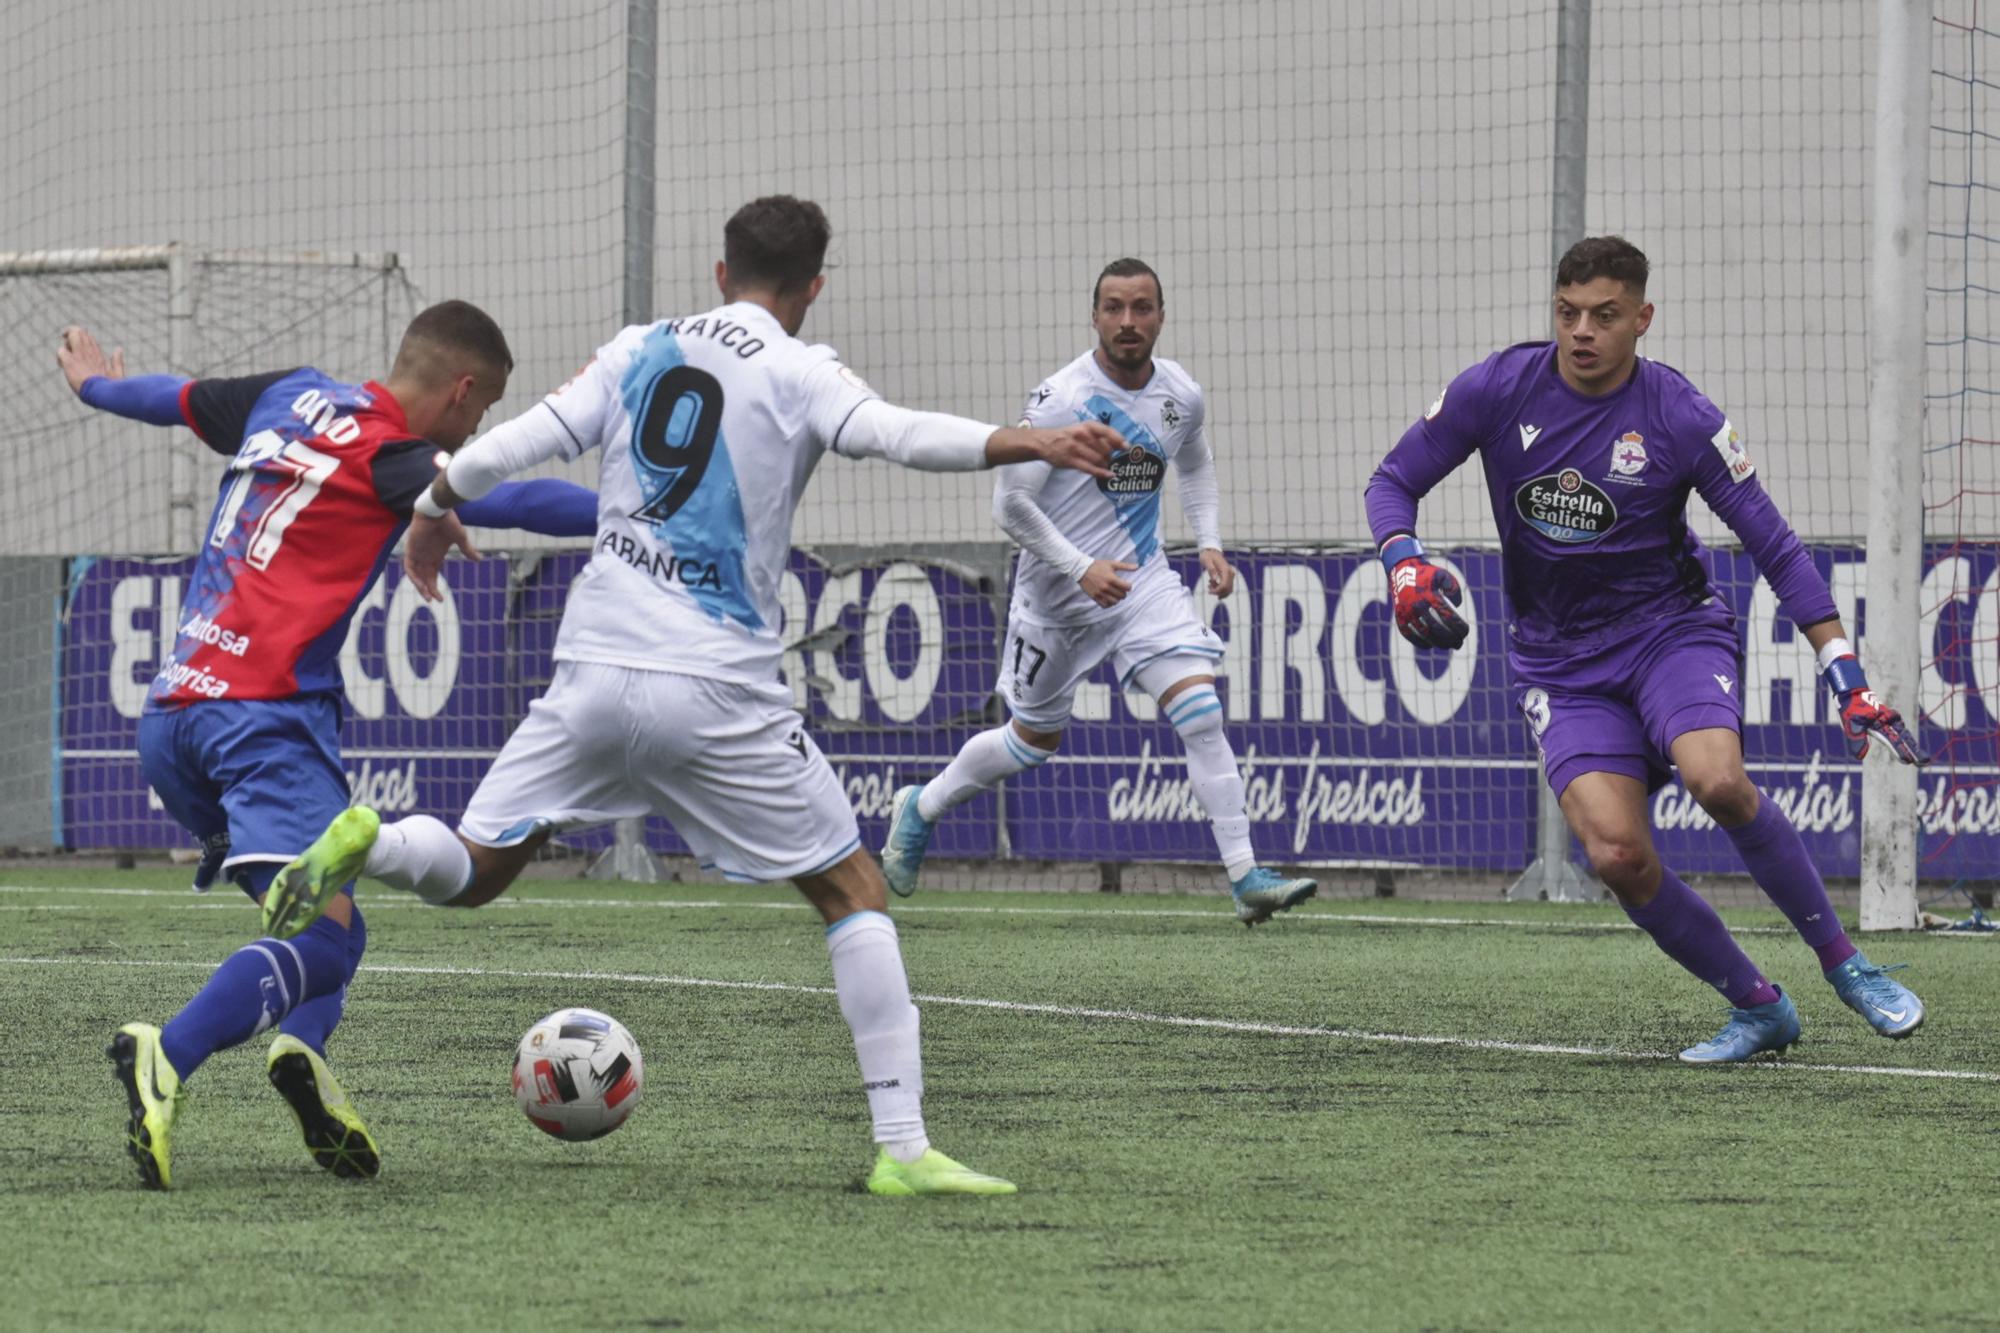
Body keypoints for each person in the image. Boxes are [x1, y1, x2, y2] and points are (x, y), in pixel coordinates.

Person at [264, 195, 1123, 1196]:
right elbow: (895, 434)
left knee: (473, 867)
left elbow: (503, 452)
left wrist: (428, 508)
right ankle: (901, 1150)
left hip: (593, 669)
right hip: (716, 687)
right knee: (851, 891)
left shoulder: (638, 348)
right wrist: (1030, 440)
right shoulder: (802, 368)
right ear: (810, 287)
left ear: (719, 273)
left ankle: (371, 840)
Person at [58, 303, 597, 1189]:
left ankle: (299, 1053)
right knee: (326, 947)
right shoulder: (398, 460)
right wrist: (640, 514)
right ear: (462, 393)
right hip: (261, 720)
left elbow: (174, 397)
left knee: (336, 916)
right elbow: (514, 494)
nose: (479, 429)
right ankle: (169, 1052)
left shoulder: (287, 394)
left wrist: (98, 386)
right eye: (483, 412)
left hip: (172, 715)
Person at [1365, 235, 1926, 1064]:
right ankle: (1759, 1005)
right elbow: (1390, 482)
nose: (1581, 331)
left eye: (1604, 315)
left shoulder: (1680, 415)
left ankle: (1846, 963)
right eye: (1567, 314)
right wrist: (1402, 562)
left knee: (1718, 779)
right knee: (1618, 856)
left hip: (1669, 632)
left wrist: (1845, 671)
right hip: (1559, 662)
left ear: (1642, 319)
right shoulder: (1497, 387)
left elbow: (1774, 545)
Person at [878, 259, 1317, 926]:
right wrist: (1080, 566)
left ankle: (1244, 875)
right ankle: (923, 806)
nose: (1128, 322)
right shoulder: (1059, 401)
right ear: (1094, 317)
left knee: (1200, 711)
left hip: (1142, 583)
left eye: (1141, 308)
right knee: (1028, 743)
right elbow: (1010, 508)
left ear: (1161, 316)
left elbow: (1194, 460)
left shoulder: (1181, 396)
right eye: (1114, 308)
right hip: (1057, 598)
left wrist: (1209, 541)